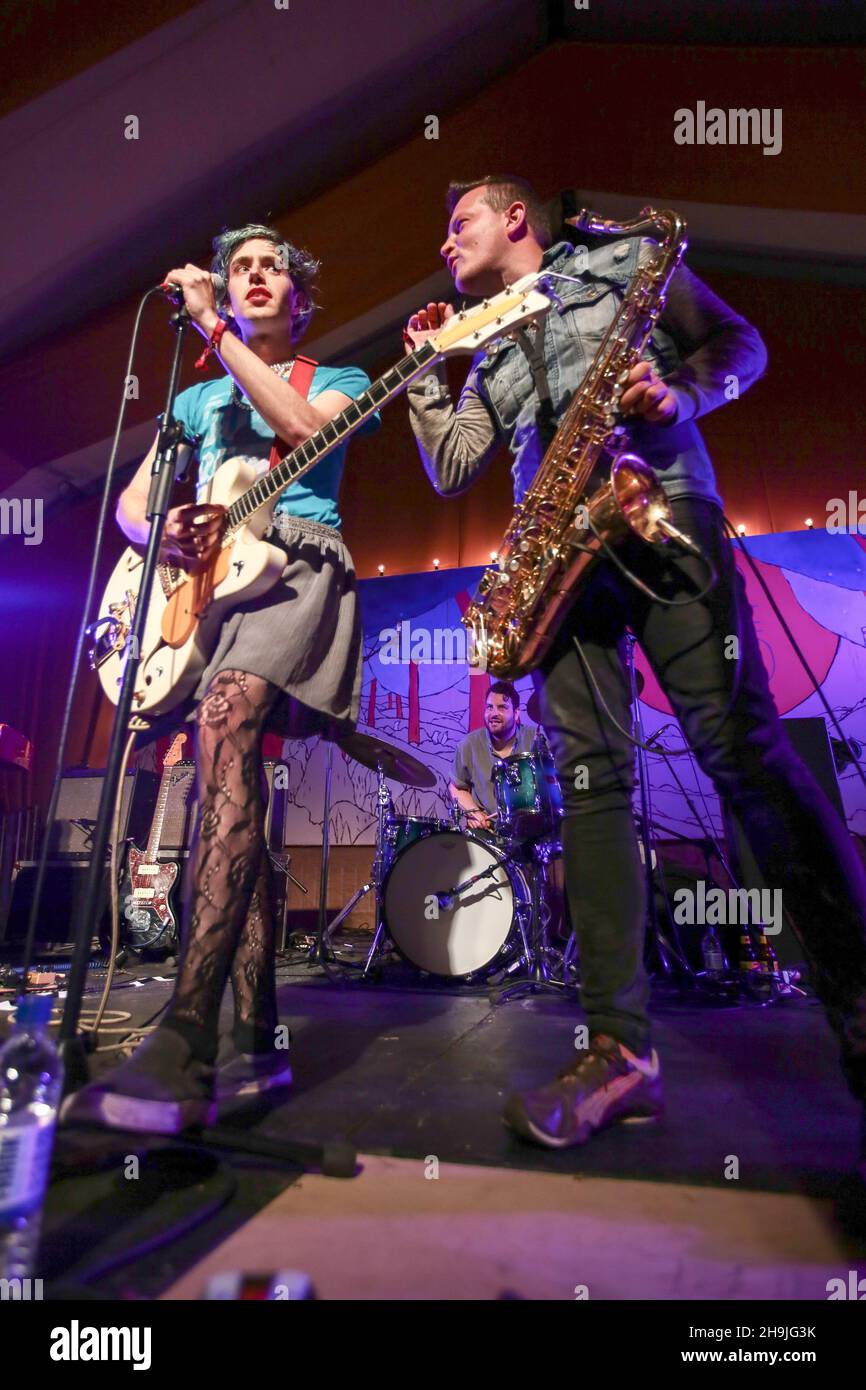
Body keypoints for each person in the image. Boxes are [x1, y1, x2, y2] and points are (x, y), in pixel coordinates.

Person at [405, 175, 866, 1154]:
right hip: (556, 551)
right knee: (591, 785)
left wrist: (679, 393)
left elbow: (738, 345)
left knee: (735, 745)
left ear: (514, 217)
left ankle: (855, 1003)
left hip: (653, 497)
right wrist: (421, 377)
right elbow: (452, 465)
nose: (446, 243)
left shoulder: (627, 259)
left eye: (459, 223)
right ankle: (616, 1051)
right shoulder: (486, 331)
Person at [63, 223, 379, 1134]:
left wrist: (213, 327)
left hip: (297, 571)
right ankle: (261, 1041)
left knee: (232, 718)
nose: (250, 278)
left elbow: (301, 430)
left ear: (300, 295)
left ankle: (188, 1034)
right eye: (237, 270)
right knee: (221, 787)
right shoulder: (196, 403)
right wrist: (159, 533)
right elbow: (131, 504)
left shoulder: (343, 378)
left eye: (270, 267)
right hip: (212, 594)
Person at [449, 680, 536, 830]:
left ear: (516, 713)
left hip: (531, 829)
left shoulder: (536, 739)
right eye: (490, 707)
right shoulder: (469, 744)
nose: (494, 713)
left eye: (502, 707)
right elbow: (456, 787)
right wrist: (474, 812)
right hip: (488, 832)